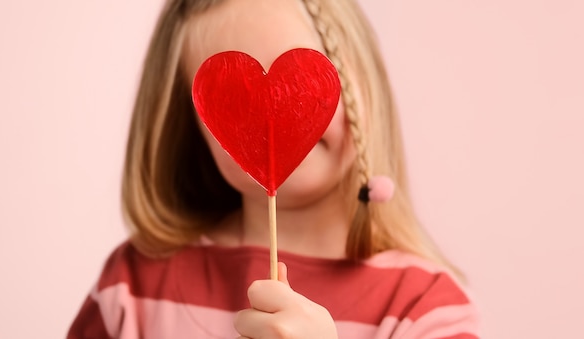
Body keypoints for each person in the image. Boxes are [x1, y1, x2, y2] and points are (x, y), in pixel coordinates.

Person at [68, 0, 480, 338]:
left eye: (304, 80)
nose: (274, 117)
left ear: (363, 83)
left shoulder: (424, 306)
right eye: (235, 99)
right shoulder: (132, 287)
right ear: (193, 130)